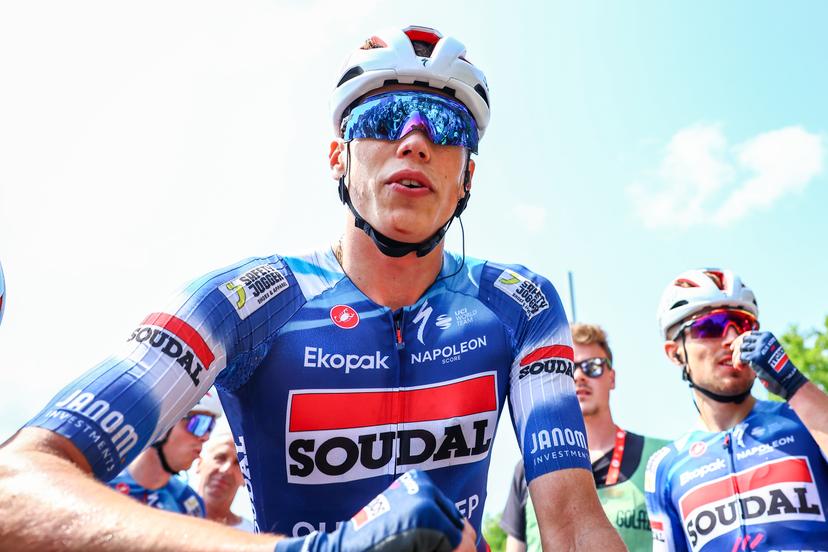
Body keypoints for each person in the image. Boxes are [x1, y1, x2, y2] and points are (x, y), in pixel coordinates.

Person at [0, 25, 625, 551]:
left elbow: (572, 521)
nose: (414, 139)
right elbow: (16, 484)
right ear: (337, 157)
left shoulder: (521, 304)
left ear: (467, 177)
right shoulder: (239, 300)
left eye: (447, 126)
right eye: (382, 118)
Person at [645, 268, 828, 551]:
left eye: (743, 325)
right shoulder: (665, 467)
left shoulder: (803, 419)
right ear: (674, 353)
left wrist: (794, 385)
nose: (732, 338)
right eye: (711, 326)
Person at [501, 323, 669, 552]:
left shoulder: (661, 459)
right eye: (569, 368)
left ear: (612, 378)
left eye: (593, 366)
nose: (579, 376)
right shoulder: (528, 468)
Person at [108, 390, 221, 517]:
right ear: (162, 423)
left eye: (210, 427)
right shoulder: (102, 479)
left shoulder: (191, 507)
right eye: (200, 423)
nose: (205, 437)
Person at [195, 431, 254, 532]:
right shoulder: (168, 513)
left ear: (246, 480)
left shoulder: (253, 536)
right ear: (199, 463)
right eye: (220, 458)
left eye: (238, 464)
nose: (226, 469)